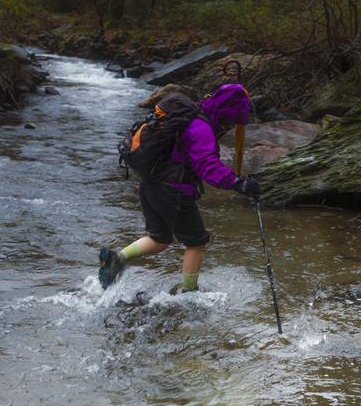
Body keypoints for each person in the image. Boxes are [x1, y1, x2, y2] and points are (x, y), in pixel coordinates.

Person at [99, 83, 261, 292]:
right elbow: (208, 166)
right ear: (226, 112)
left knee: (159, 239)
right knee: (196, 242)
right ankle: (189, 293)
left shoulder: (191, 116)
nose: (230, 125)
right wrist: (238, 183)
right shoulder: (201, 128)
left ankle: (117, 258)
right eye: (231, 120)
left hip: (151, 185)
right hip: (172, 190)